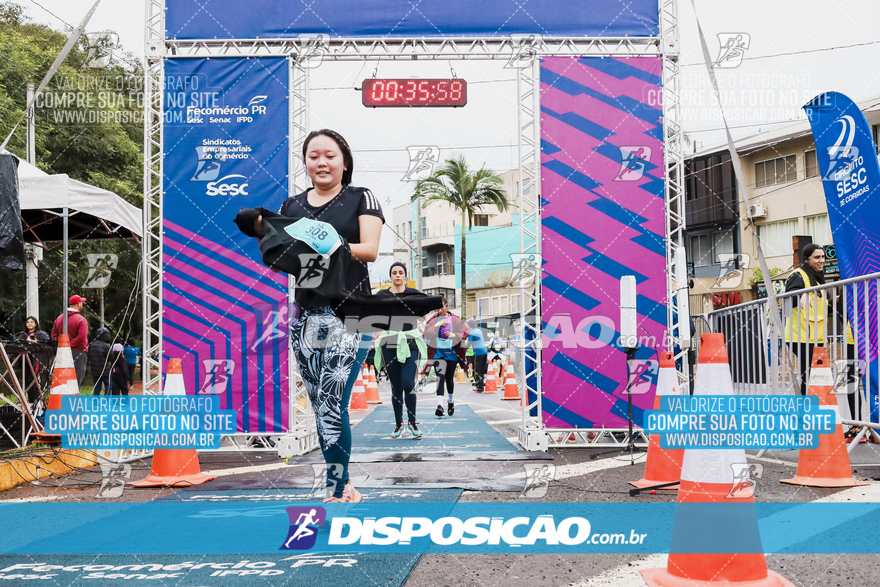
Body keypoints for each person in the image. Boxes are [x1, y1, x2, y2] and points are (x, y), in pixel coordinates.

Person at [275, 129, 383, 503]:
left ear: (344, 162)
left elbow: (369, 249)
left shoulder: (360, 198)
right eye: (313, 156)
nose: (321, 162)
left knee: (332, 400)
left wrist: (330, 244)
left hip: (351, 312)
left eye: (330, 155)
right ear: (305, 162)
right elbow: (288, 260)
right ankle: (343, 482)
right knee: (319, 400)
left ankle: (337, 488)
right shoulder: (291, 206)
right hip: (307, 314)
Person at [374, 262, 427, 438]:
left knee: (408, 383)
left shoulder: (413, 294)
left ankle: (412, 422)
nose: (397, 275)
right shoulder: (383, 294)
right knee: (396, 386)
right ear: (391, 276)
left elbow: (425, 309)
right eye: (394, 272)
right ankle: (399, 425)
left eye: (401, 272)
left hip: (410, 341)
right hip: (389, 342)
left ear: (405, 276)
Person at [784, 243, 826, 395]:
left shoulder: (816, 278)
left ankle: (810, 411)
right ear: (807, 259)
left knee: (814, 375)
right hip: (801, 337)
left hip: (815, 337)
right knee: (809, 374)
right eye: (817, 257)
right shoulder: (798, 275)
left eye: (823, 257)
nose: (821, 260)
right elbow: (790, 298)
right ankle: (805, 412)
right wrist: (802, 294)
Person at [423, 298, 470, 415]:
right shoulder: (433, 319)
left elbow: (466, 332)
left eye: (441, 307)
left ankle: (450, 401)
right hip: (438, 353)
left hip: (451, 352)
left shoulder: (455, 319)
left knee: (449, 378)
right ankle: (440, 406)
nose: (439, 310)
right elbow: (426, 334)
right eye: (437, 308)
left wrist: (454, 334)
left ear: (447, 306)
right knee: (440, 378)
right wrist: (437, 325)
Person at [51, 294, 89, 387]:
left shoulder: (59, 318)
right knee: (76, 379)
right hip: (78, 352)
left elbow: (54, 336)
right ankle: (73, 400)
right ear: (78, 304)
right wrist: (70, 345)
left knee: (63, 379)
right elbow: (82, 337)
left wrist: (62, 346)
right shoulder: (81, 319)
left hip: (62, 352)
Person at [88, 327, 113, 395]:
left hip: (95, 370)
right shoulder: (106, 346)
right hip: (105, 370)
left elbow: (89, 356)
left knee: (97, 386)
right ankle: (107, 399)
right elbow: (111, 357)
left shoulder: (92, 345)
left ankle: (96, 402)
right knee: (108, 384)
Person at [467, 320, 489, 392]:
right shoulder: (479, 331)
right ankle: (481, 383)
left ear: (469, 325)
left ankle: (479, 386)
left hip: (478, 352)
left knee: (477, 369)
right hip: (484, 351)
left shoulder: (471, 333)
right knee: (482, 368)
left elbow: (469, 344)